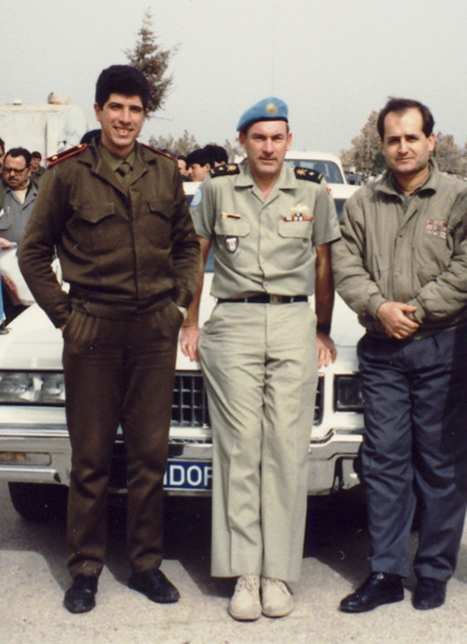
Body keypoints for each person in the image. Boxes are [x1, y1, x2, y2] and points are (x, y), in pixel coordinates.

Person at [19, 64, 201, 614]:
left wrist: (177, 304)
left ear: (146, 115)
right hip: (93, 329)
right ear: (99, 110)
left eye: (136, 109)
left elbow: (186, 246)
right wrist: (66, 317)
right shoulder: (68, 174)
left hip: (152, 331)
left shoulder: (165, 172)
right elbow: (32, 253)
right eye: (116, 107)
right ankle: (85, 569)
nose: (125, 119)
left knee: (148, 455)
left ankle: (145, 564)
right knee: (93, 458)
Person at [181, 97, 339, 621]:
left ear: (289, 141)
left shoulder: (314, 194)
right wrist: (190, 320)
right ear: (242, 142)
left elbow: (323, 264)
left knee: (287, 450)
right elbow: (196, 255)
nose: (268, 146)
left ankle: (278, 574)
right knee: (240, 446)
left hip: (294, 322)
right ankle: (243, 573)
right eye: (258, 137)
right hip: (234, 325)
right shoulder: (218, 189)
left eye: (277, 137)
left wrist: (322, 328)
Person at [333, 97, 467, 614]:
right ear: (382, 145)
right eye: (393, 139)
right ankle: (386, 571)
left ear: (431, 142)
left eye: (412, 138)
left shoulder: (463, 200)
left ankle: (434, 570)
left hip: (444, 346)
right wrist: (380, 308)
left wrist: (415, 312)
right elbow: (346, 263)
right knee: (384, 462)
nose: (403, 147)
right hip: (382, 350)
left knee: (442, 462)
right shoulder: (361, 202)